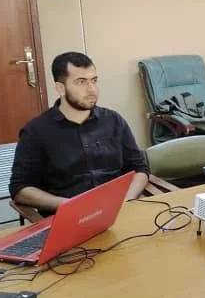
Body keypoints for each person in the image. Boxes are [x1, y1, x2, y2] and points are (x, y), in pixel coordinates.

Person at [9, 52, 149, 214]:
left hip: (120, 209)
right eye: (81, 82)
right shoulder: (36, 132)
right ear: (61, 88)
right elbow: (20, 188)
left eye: (94, 80)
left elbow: (140, 168)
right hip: (70, 215)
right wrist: (69, 205)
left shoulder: (114, 121)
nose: (92, 90)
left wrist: (127, 199)